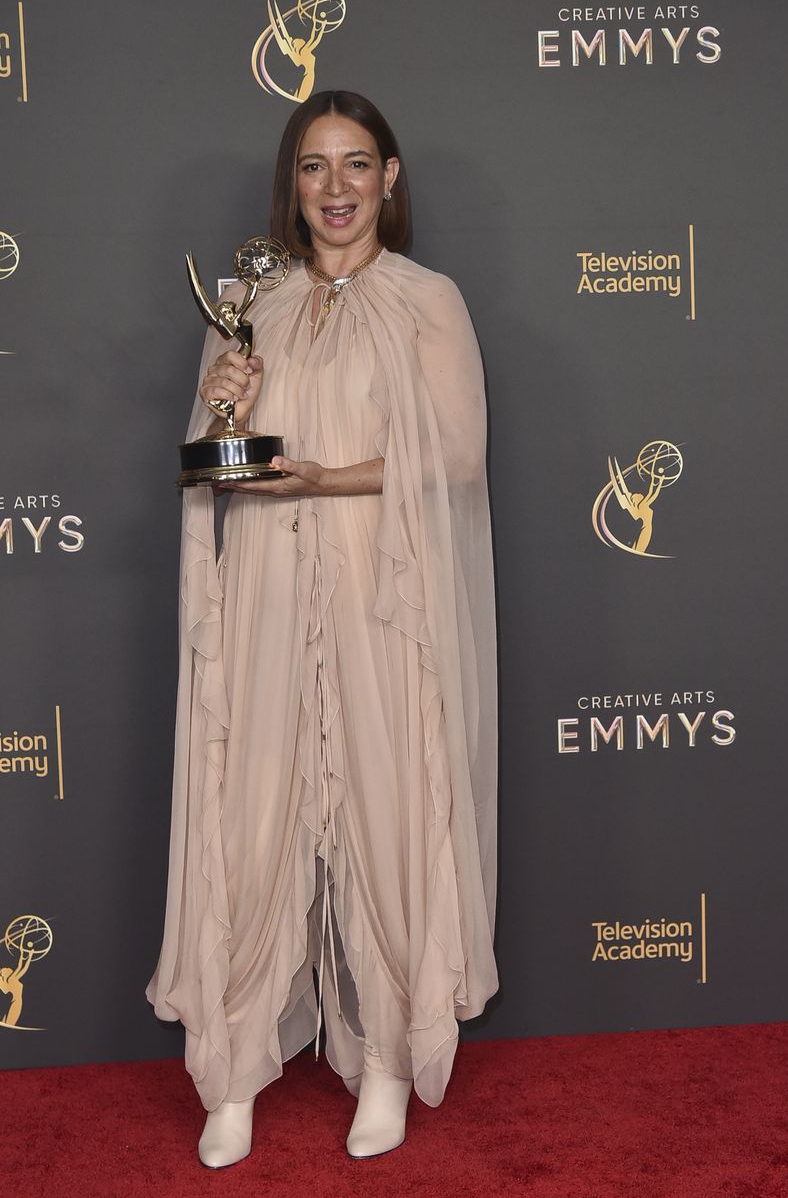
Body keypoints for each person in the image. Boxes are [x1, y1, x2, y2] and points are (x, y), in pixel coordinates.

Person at [146, 90, 498, 1167]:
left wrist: (323, 477)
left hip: (378, 597)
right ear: (289, 185)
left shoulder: (428, 301)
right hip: (263, 593)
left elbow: (455, 460)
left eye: (356, 164)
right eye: (312, 167)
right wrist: (227, 401)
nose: (335, 188)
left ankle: (385, 1060)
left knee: (389, 809)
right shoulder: (252, 300)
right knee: (250, 811)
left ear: (389, 179)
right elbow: (216, 464)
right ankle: (236, 1063)